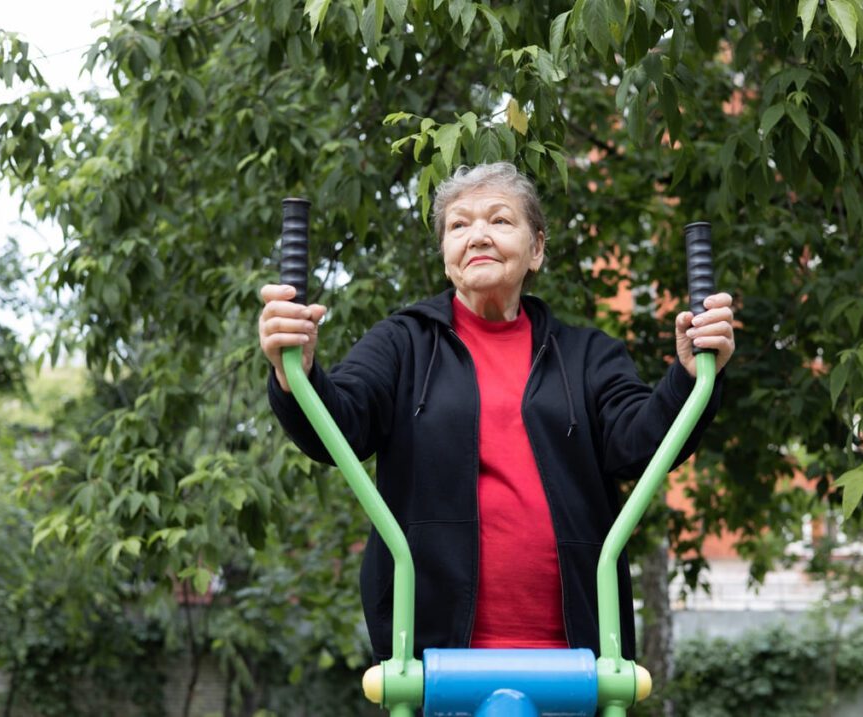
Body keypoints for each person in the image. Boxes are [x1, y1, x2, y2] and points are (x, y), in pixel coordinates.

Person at [259, 162, 735, 663]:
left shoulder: (586, 356)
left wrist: (690, 374)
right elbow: (341, 426)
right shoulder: (403, 345)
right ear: (446, 256)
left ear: (537, 250)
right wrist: (297, 373)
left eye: (500, 221)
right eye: (459, 225)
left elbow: (641, 443)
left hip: (576, 656)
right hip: (433, 656)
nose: (478, 235)